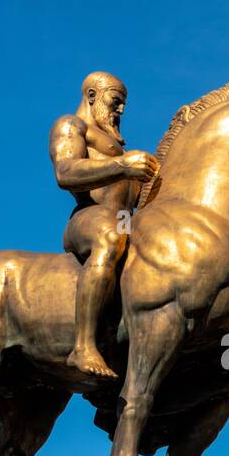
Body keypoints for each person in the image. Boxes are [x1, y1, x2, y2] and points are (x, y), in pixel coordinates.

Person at [49, 71, 159, 377]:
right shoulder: (71, 126)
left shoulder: (121, 149)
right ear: (92, 96)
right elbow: (65, 172)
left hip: (126, 221)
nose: (120, 110)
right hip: (89, 218)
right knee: (111, 236)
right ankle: (82, 346)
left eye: (123, 104)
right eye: (115, 101)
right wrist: (122, 166)